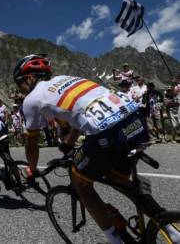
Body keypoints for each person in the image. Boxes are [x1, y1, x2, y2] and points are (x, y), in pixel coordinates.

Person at [13, 54, 150, 244]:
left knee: (81, 184)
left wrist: (32, 169)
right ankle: (166, 224)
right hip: (136, 119)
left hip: (107, 133)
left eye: (19, 85)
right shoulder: (68, 79)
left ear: (28, 78)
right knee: (118, 179)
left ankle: (115, 240)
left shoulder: (31, 100)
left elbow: (31, 143)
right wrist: (69, 143)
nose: (20, 91)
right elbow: (80, 110)